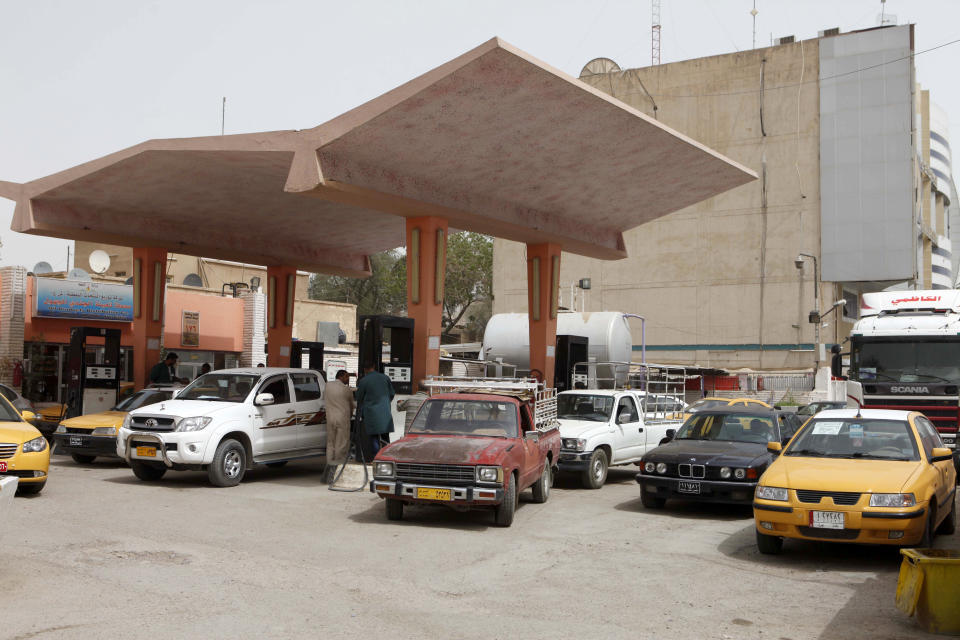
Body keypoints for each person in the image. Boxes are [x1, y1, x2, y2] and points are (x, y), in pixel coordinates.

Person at [324, 369, 356, 483]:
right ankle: (337, 470)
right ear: (341, 376)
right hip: (342, 419)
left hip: (330, 418)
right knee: (341, 444)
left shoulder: (327, 386)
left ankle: (329, 465)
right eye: (347, 377)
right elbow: (352, 404)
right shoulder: (346, 389)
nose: (348, 379)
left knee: (330, 443)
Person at [356, 362, 395, 454]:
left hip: (371, 414)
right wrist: (384, 403)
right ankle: (386, 457)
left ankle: (376, 458)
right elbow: (392, 394)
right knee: (385, 437)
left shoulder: (364, 381)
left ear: (364, 369)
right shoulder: (385, 377)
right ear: (373, 366)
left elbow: (359, 398)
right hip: (385, 413)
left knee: (374, 438)